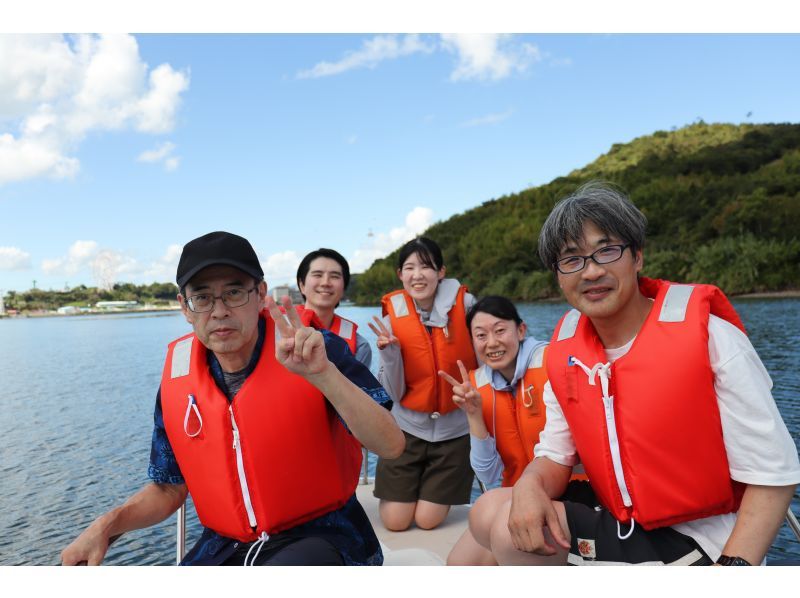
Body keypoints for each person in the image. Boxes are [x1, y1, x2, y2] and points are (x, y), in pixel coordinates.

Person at [497, 181, 800, 566]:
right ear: (558, 275)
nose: (591, 271)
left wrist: (734, 569)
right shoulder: (568, 354)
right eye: (572, 259)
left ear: (637, 256)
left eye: (607, 250)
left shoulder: (713, 339)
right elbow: (556, 455)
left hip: (703, 543)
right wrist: (528, 484)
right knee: (491, 508)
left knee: (498, 528)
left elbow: (774, 474)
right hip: (626, 522)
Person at [60, 231, 405, 566]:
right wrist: (105, 527)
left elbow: (390, 445)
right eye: (203, 297)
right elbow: (168, 489)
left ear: (260, 295)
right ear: (184, 307)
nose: (219, 310)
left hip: (326, 536)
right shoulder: (178, 379)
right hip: (225, 545)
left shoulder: (317, 349)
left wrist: (325, 376)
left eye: (234, 293)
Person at [441, 296, 589, 565]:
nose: (492, 342)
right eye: (481, 335)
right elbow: (488, 474)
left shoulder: (555, 363)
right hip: (516, 495)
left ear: (520, 330)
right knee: (459, 564)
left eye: (500, 330)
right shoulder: (478, 386)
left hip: (574, 493)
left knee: (500, 541)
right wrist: (474, 416)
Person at [368, 237, 478, 531]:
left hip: (455, 432)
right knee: (395, 522)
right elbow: (393, 394)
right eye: (410, 268)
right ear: (400, 275)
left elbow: (487, 358)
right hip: (406, 431)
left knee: (428, 522)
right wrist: (389, 355)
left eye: (426, 266)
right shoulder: (391, 324)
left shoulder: (467, 307)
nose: (418, 275)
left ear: (441, 272)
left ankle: (430, 492)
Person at [295, 248, 371, 368]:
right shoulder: (271, 331)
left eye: (335, 276)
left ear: (343, 289)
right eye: (318, 275)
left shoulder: (360, 346)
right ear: (302, 285)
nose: (325, 282)